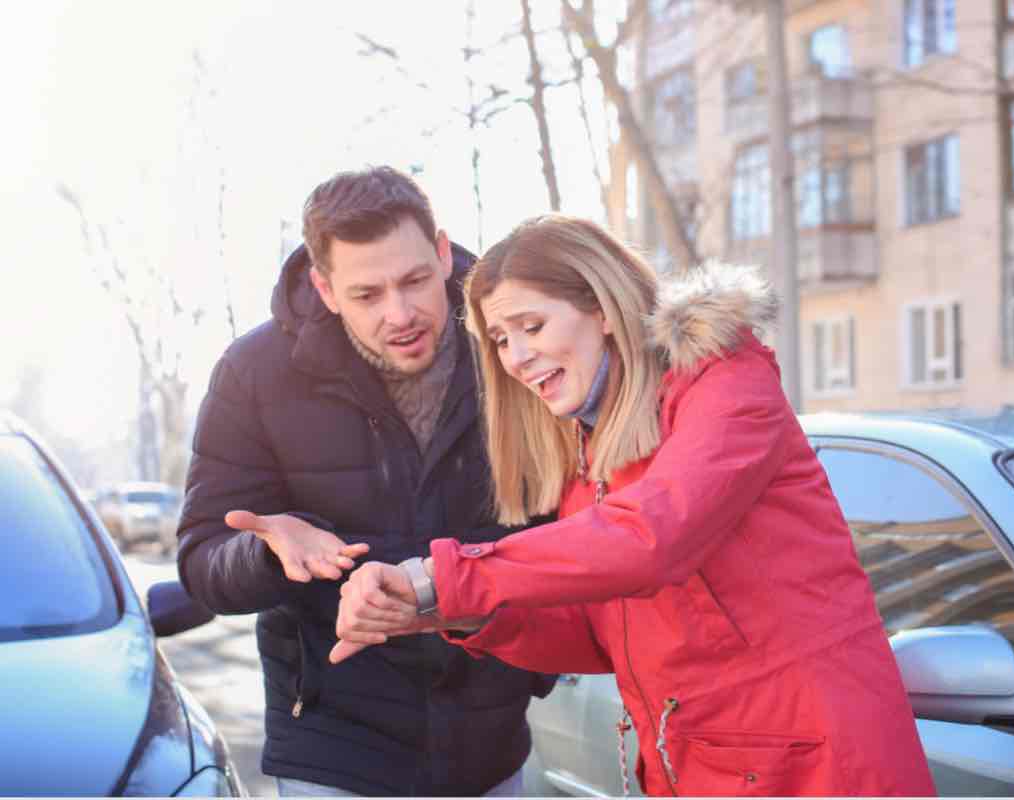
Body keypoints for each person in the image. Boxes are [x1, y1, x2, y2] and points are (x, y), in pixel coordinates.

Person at [237, 214, 935, 795]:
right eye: (501, 340)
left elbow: (651, 539)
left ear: (602, 307)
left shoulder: (724, 385)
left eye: (531, 326)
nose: (515, 357)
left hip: (819, 767)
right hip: (703, 767)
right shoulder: (591, 460)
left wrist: (439, 573)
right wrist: (436, 611)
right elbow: (596, 637)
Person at [175, 166, 555, 797]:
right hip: (334, 753)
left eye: (414, 281)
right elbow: (201, 561)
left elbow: (561, 530)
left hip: (490, 751)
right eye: (367, 295)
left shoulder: (509, 346)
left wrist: (530, 671)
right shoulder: (253, 374)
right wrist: (268, 552)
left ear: (441, 252)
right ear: (324, 289)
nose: (400, 314)